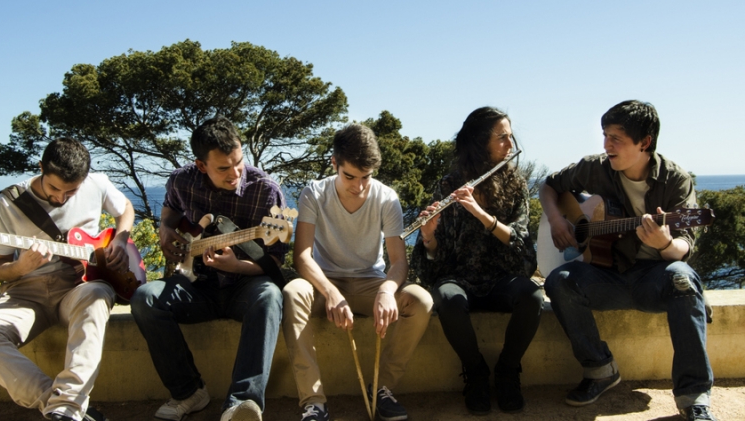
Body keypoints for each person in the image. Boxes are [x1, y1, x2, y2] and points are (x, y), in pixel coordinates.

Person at [540, 100, 716, 421]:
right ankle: (600, 370)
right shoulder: (595, 168)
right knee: (559, 281)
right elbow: (550, 185)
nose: (606, 145)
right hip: (608, 276)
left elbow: (682, 248)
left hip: (654, 279)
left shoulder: (675, 180)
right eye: (605, 136)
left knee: (681, 276)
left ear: (644, 142)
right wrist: (556, 221)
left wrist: (664, 244)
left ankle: (694, 397)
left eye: (616, 138)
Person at [0, 138, 135, 421]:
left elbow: (125, 207)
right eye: (54, 188)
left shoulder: (97, 184)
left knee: (98, 294)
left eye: (71, 191)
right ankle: (61, 406)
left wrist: (121, 239)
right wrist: (21, 266)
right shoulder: (9, 202)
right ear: (41, 168)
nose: (61, 198)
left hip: (78, 288)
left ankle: (66, 406)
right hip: (26, 293)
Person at [130, 116, 287, 421]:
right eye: (224, 168)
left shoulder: (266, 190)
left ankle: (242, 403)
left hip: (245, 286)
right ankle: (188, 392)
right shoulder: (181, 180)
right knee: (145, 298)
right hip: (196, 285)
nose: (235, 173)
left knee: (269, 296)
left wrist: (237, 265)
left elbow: (275, 261)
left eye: (239, 162)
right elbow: (171, 208)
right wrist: (165, 228)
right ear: (201, 166)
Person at [282, 123, 433, 421]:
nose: (359, 186)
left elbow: (398, 261)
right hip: (325, 284)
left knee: (421, 301)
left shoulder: (387, 198)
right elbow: (302, 257)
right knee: (292, 291)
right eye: (350, 176)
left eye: (366, 177)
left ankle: (382, 388)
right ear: (334, 163)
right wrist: (330, 291)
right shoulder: (314, 193)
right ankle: (314, 402)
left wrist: (387, 290)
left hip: (370, 283)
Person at [410, 107, 543, 415]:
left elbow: (522, 245)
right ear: (480, 142)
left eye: (510, 137)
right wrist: (429, 236)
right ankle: (476, 372)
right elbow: (433, 261)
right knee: (447, 298)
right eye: (502, 138)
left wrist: (481, 215)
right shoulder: (449, 186)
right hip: (460, 278)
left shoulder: (516, 185)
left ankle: (508, 371)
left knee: (532, 296)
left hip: (501, 278)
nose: (510, 145)